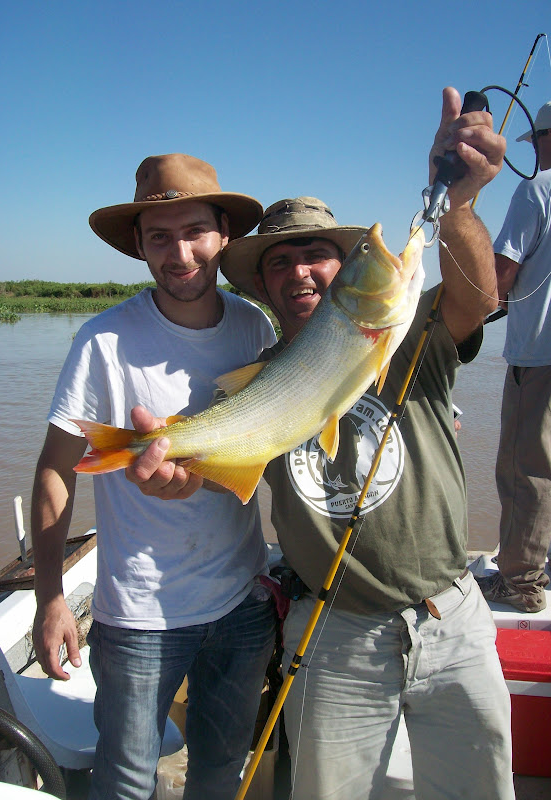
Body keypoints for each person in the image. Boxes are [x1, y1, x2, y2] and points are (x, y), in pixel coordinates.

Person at [129, 88, 512, 799]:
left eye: (319, 255)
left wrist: (458, 203)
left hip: (450, 620)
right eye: (280, 263)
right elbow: (223, 473)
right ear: (265, 287)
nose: (300, 270)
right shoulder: (254, 381)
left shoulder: (407, 337)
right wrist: (171, 473)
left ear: (341, 272)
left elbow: (478, 299)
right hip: (330, 634)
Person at [31, 153, 277, 800]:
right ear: (138, 245)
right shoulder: (103, 342)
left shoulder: (255, 327)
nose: (180, 253)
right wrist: (51, 596)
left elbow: (268, 442)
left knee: (221, 773)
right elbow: (56, 471)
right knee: (126, 782)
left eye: (195, 230)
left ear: (224, 234)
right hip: (137, 617)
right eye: (159, 237)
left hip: (242, 605)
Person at [476, 100, 551, 614]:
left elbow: (500, 274)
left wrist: (473, 313)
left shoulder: (537, 189)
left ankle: (521, 581)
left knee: (527, 468)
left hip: (539, 356)